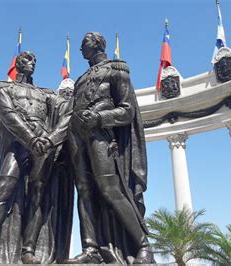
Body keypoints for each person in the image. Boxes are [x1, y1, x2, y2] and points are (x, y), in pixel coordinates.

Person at [0, 51, 72, 265]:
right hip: (20, 144)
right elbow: (9, 115)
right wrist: (31, 139)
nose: (32, 63)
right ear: (17, 64)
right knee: (3, 191)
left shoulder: (45, 93)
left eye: (35, 60)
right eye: (28, 60)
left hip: (43, 146)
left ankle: (28, 249)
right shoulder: (3, 87)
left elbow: (67, 110)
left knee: (38, 197)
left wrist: (50, 138)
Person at [64, 32, 153, 264]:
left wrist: (99, 118)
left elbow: (127, 110)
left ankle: (143, 246)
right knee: (84, 190)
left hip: (101, 134)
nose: (80, 49)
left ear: (96, 44)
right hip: (77, 136)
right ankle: (91, 248)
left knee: (110, 189)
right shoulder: (80, 79)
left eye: (84, 44)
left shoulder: (117, 68)